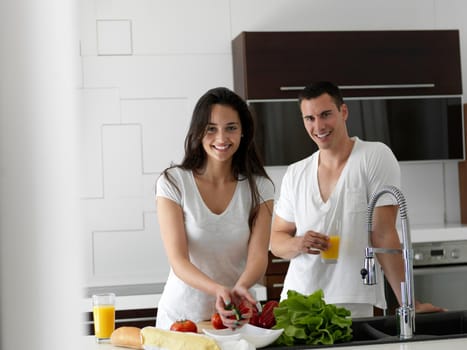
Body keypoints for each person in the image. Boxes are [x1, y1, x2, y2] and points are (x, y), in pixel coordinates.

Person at [270, 81, 445, 317]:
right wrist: (297, 243)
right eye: (309, 118)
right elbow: (276, 240)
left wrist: (409, 302)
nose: (318, 126)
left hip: (351, 301)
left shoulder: (374, 157)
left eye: (325, 115)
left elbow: (383, 234)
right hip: (297, 301)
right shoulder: (295, 173)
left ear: (343, 112)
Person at [155, 87, 275, 329]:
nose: (222, 138)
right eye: (211, 129)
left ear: (243, 133)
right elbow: (178, 261)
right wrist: (218, 289)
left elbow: (258, 255)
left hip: (235, 318)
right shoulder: (173, 183)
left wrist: (242, 286)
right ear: (198, 132)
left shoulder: (260, 187)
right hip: (182, 318)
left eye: (231, 128)